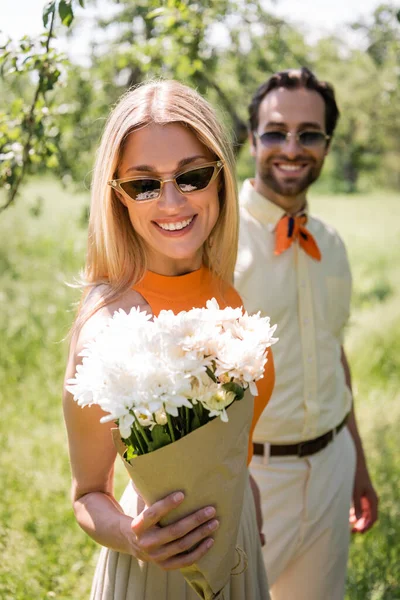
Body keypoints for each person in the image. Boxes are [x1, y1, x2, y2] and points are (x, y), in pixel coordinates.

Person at [63, 80, 274, 600]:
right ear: (118, 197)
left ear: (221, 180)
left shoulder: (227, 296)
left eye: (193, 175)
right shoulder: (109, 324)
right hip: (158, 566)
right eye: (144, 184)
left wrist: (245, 497)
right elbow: (88, 494)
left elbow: (230, 443)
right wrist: (134, 539)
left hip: (241, 542)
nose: (172, 200)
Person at [234, 67, 379, 600]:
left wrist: (357, 464)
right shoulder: (216, 239)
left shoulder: (332, 243)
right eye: (275, 131)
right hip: (248, 481)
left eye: (309, 133)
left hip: (330, 471)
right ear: (252, 139)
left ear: (326, 144)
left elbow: (331, 352)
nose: (291, 147)